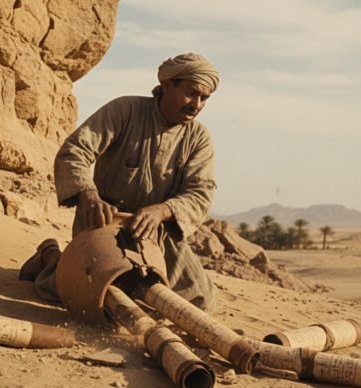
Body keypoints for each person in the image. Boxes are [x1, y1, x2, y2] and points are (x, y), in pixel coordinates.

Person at [20, 52, 219, 311]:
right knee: (80, 294)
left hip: (156, 229)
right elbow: (75, 151)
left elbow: (201, 192)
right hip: (104, 219)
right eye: (192, 93)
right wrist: (88, 194)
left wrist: (163, 211)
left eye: (204, 98)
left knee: (199, 299)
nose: (197, 104)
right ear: (168, 85)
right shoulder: (125, 110)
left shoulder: (198, 137)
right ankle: (49, 257)